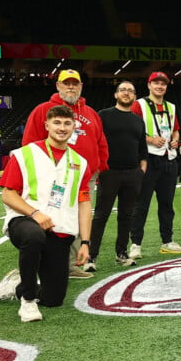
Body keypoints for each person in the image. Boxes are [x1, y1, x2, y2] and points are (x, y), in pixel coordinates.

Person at [0, 106, 92, 322]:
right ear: (46, 125)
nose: (62, 127)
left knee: (54, 298)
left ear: (74, 127)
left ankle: (18, 285)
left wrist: (85, 242)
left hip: (58, 231)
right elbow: (8, 195)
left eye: (67, 123)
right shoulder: (25, 154)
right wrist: (35, 213)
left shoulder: (80, 162)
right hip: (24, 221)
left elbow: (84, 203)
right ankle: (28, 301)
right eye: (56, 122)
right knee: (33, 235)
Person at [22, 68, 108, 280]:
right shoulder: (43, 110)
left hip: (83, 179)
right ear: (58, 86)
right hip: (53, 178)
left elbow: (101, 143)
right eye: (66, 83)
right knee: (50, 218)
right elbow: (30, 144)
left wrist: (98, 167)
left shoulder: (91, 113)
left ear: (81, 86)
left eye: (75, 83)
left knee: (79, 220)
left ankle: (71, 265)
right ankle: (45, 264)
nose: (71, 87)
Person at [84, 81, 148, 272]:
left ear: (135, 96)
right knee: (101, 215)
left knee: (126, 215)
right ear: (115, 94)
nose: (126, 93)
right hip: (109, 172)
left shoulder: (138, 120)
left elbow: (142, 146)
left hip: (132, 174)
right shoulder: (103, 115)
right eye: (123, 90)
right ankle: (91, 256)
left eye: (130, 90)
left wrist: (142, 167)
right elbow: (95, 141)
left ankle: (121, 253)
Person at [129, 71, 181, 258]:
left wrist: (175, 141)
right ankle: (135, 244)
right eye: (156, 83)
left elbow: (176, 130)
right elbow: (133, 130)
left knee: (167, 204)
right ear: (149, 85)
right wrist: (151, 139)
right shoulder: (139, 105)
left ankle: (167, 241)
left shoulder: (171, 106)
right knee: (141, 204)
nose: (160, 86)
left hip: (168, 159)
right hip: (148, 158)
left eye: (163, 84)